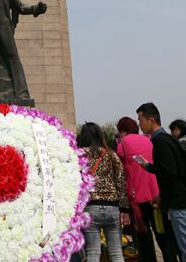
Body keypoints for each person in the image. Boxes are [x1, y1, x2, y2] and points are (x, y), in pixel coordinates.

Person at [116, 116, 179, 262]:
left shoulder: (122, 144)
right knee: (163, 233)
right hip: (156, 195)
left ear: (121, 130)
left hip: (138, 197)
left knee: (143, 237)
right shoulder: (149, 139)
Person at [137, 102, 186, 261]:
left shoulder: (161, 142)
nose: (140, 125)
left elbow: (169, 171)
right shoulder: (169, 139)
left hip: (178, 203)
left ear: (151, 120)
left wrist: (148, 167)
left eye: (141, 120)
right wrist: (160, 195)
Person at [77, 122, 130, 262]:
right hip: (112, 207)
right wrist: (124, 209)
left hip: (90, 207)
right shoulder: (111, 155)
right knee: (117, 253)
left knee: (93, 253)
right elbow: (120, 182)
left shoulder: (78, 156)